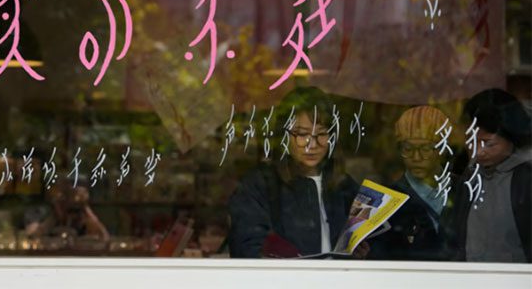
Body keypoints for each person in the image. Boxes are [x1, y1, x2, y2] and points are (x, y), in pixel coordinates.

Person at [227, 87, 367, 258]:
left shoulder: (344, 185)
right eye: (302, 135)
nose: (312, 145)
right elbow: (247, 249)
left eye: (322, 134)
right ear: (284, 135)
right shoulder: (260, 185)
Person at [447, 88, 531, 263]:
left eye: (489, 144)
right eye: (472, 141)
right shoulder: (469, 176)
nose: (479, 151)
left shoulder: (526, 179)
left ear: (512, 139)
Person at [369, 106, 452, 261]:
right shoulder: (386, 201)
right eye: (408, 148)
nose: (416, 156)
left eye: (426, 148)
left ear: (443, 148)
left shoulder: (465, 189)